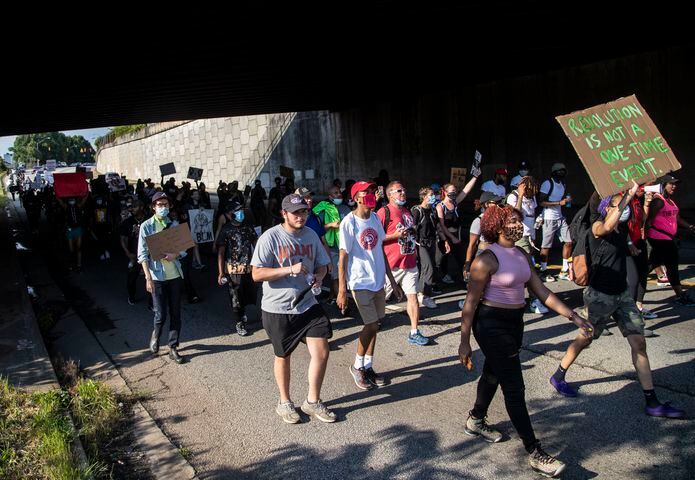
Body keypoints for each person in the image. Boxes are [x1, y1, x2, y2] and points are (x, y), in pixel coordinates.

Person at [459, 204, 593, 478]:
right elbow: (470, 303)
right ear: (497, 226)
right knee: (514, 386)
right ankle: (535, 452)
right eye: (512, 221)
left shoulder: (520, 254)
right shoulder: (486, 259)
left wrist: (573, 316)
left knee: (494, 372)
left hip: (514, 323)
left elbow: (541, 291)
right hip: (490, 324)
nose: (519, 225)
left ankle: (475, 419)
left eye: (519, 220)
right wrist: (464, 341)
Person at [550, 182, 685, 420]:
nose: (623, 209)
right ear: (606, 208)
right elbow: (607, 224)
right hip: (600, 296)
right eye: (616, 205)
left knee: (639, 344)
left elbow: (638, 223)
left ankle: (651, 400)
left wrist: (640, 205)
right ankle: (559, 374)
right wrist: (627, 195)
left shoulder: (622, 232)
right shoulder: (597, 227)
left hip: (622, 296)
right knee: (585, 338)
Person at [251, 194, 335, 424]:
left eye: (304, 212)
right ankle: (284, 402)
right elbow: (257, 274)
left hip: (308, 303)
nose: (301, 216)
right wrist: (288, 270)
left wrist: (318, 277)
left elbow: (323, 266)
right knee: (283, 356)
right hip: (278, 307)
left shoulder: (311, 235)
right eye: (295, 212)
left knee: (322, 351)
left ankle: (312, 401)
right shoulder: (270, 238)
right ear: (284, 213)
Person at [338, 181, 403, 390]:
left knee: (376, 325)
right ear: (357, 197)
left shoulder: (375, 218)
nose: (372, 194)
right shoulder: (349, 222)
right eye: (367, 192)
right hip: (360, 281)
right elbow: (342, 258)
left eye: (373, 191)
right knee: (372, 324)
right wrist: (342, 289)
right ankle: (357, 366)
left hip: (378, 281)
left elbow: (380, 251)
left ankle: (368, 366)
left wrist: (392, 280)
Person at [137, 192, 188, 364]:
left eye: (166, 204)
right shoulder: (146, 227)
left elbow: (184, 249)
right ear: (153, 207)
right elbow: (142, 255)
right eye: (160, 204)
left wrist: (176, 254)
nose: (163, 208)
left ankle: (173, 347)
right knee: (160, 314)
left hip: (174, 275)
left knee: (176, 313)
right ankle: (156, 335)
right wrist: (147, 278)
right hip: (157, 276)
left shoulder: (173, 224)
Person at [377, 181, 430, 346]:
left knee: (412, 297)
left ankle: (414, 331)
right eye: (399, 191)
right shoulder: (383, 212)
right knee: (379, 299)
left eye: (404, 190)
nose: (403, 193)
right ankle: (373, 320)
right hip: (391, 265)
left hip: (410, 263)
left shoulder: (407, 211)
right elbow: (375, 237)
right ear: (390, 194)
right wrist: (394, 236)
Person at [644, 174, 695, 306]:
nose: (674, 186)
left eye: (675, 184)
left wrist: (689, 226)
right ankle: (680, 295)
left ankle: (629, 285)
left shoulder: (670, 201)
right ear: (663, 185)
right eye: (671, 184)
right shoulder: (658, 201)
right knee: (672, 266)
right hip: (660, 238)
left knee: (651, 264)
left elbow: (676, 218)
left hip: (667, 238)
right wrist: (648, 237)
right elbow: (649, 221)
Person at [506, 176, 548, 314]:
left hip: (529, 236)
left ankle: (516, 298)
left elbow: (531, 214)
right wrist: (521, 195)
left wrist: (534, 234)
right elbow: (514, 214)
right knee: (529, 269)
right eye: (530, 190)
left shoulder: (532, 198)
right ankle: (534, 300)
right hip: (520, 237)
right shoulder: (513, 196)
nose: (533, 193)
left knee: (523, 270)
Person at [216, 200, 257, 336]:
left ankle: (243, 312)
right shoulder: (226, 229)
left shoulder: (248, 227)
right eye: (237, 211)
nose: (240, 213)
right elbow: (221, 252)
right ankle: (239, 322)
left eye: (241, 210)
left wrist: (261, 261)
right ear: (230, 214)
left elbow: (256, 244)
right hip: (233, 270)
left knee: (248, 294)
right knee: (236, 296)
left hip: (249, 268)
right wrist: (221, 272)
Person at [436, 176, 480, 284]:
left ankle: (466, 280)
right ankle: (437, 281)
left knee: (462, 258)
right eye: (452, 191)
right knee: (441, 260)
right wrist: (451, 238)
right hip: (445, 236)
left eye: (455, 191)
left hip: (456, 234)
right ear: (445, 192)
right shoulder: (440, 206)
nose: (454, 193)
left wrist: (475, 177)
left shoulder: (455, 202)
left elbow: (466, 190)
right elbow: (442, 226)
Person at [313, 185, 351, 303]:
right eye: (335, 193)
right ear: (330, 197)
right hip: (333, 248)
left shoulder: (346, 209)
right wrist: (330, 225)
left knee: (344, 275)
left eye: (339, 192)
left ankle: (333, 297)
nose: (338, 194)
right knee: (336, 276)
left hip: (347, 248)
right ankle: (342, 304)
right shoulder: (323, 211)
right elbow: (318, 229)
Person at [539, 163, 572, 282]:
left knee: (568, 242)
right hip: (549, 217)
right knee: (546, 245)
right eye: (559, 171)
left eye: (563, 171)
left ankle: (564, 270)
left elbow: (561, 200)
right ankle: (543, 271)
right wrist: (559, 203)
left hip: (560, 217)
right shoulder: (547, 183)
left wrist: (566, 201)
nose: (561, 173)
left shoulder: (563, 183)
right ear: (554, 172)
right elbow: (541, 202)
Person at [411, 187, 443, 309]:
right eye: (431, 194)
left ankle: (420, 293)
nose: (433, 196)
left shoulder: (433, 211)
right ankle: (426, 296)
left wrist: (444, 241)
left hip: (432, 242)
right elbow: (413, 227)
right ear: (424, 197)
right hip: (420, 244)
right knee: (428, 268)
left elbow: (438, 227)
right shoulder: (417, 210)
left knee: (427, 269)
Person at [120, 199, 148, 305]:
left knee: (152, 278)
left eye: (135, 206)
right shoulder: (128, 222)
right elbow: (123, 239)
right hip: (134, 255)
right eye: (132, 207)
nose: (132, 209)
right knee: (131, 278)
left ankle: (152, 302)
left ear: (141, 207)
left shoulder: (149, 220)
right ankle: (131, 296)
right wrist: (128, 253)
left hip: (148, 254)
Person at [57, 194, 88, 272]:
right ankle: (72, 264)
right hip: (70, 229)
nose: (71, 201)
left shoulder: (78, 205)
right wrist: (57, 191)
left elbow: (84, 199)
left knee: (79, 248)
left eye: (73, 199)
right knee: (71, 249)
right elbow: (59, 200)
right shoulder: (66, 207)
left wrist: (86, 190)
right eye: (70, 199)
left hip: (78, 229)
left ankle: (79, 265)